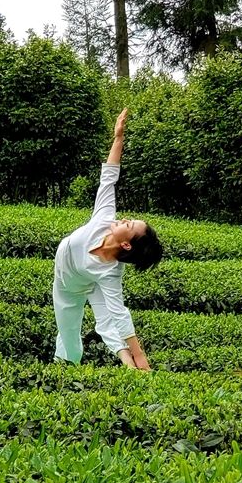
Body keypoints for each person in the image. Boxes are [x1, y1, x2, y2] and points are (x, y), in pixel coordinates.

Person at [52, 108, 163, 370]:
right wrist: (118, 138)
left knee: (109, 319)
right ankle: (67, 366)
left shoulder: (112, 274)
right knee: (68, 330)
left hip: (93, 279)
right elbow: (109, 177)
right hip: (69, 284)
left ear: (126, 244)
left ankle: (134, 366)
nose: (123, 219)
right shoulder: (104, 217)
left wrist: (141, 355)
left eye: (129, 224)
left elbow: (121, 314)